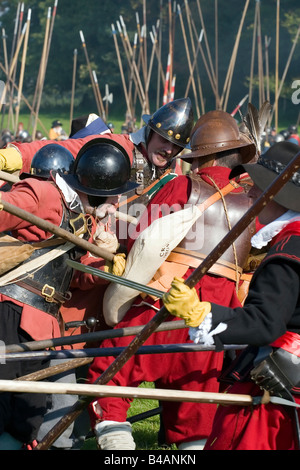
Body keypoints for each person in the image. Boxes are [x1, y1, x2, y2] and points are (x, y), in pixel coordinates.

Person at [86, 109, 258, 451]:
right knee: (195, 412)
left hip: (163, 305)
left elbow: (142, 240)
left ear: (199, 155)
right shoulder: (253, 201)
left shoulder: (182, 185)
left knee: (110, 376)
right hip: (212, 319)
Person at [0, 138, 139, 449]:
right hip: (12, 314)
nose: (114, 202)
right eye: (111, 195)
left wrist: (103, 265)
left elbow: (71, 278)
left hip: (44, 321)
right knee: (6, 407)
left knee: (38, 416)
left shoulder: (79, 214)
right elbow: (6, 212)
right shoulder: (46, 193)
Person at [162, 140, 300, 450]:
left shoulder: (289, 251)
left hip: (280, 383)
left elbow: (266, 323)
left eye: (258, 187)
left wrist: (202, 314)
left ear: (276, 196)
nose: (249, 193)